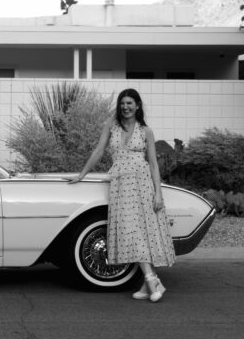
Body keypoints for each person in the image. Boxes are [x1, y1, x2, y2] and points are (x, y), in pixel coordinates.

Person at [68, 88, 175, 301]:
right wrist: (82, 175)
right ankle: (151, 283)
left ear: (137, 106)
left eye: (129, 103)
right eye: (122, 103)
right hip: (120, 185)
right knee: (129, 231)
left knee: (140, 232)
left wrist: (158, 194)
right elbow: (98, 151)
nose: (125, 107)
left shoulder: (146, 131)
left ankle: (151, 281)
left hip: (142, 184)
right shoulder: (111, 126)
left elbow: (153, 164)